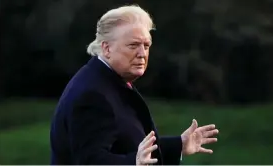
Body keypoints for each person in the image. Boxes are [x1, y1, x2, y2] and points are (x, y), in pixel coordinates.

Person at [50, 4, 219, 165]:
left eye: (146, 45)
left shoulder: (109, 80)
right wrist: (134, 163)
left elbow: (131, 146)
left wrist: (179, 145)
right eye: (133, 45)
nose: (142, 54)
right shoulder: (93, 94)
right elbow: (91, 161)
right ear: (107, 48)